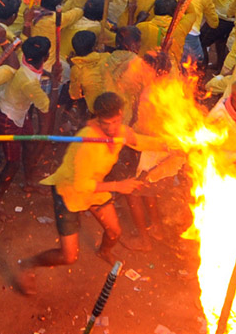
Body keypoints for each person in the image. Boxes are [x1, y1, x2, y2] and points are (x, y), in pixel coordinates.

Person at [18, 92, 165, 292]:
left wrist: (174, 145)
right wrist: (118, 186)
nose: (111, 128)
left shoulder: (122, 131)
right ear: (97, 118)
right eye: (106, 123)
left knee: (114, 232)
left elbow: (140, 141)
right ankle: (28, 264)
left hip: (95, 187)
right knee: (68, 257)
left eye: (115, 121)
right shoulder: (87, 141)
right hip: (69, 192)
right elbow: (80, 185)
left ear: (121, 115)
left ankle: (103, 252)